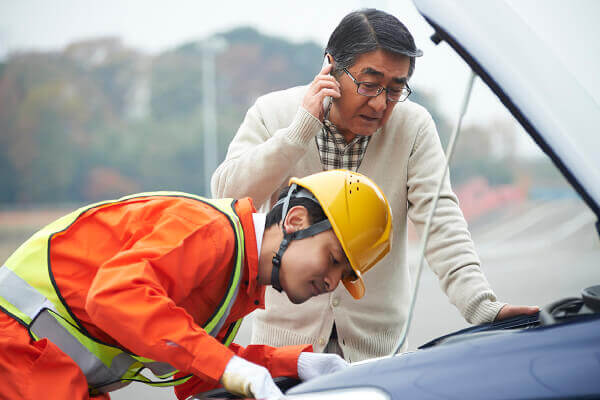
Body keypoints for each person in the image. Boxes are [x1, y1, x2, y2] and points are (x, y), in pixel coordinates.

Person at [211, 8, 538, 363]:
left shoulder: (413, 127)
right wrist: (299, 130)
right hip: (280, 353)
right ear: (331, 67)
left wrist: (482, 307)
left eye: (396, 89)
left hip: (378, 357)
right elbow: (227, 197)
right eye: (369, 84)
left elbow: (441, 223)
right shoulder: (273, 112)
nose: (381, 103)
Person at [0, 169, 392, 400]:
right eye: (334, 259)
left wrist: (297, 364)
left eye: (344, 276)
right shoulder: (211, 233)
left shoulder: (237, 280)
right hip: (17, 347)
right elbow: (114, 297)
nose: (331, 281)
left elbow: (194, 371)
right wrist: (229, 366)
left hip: (47, 362)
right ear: (296, 221)